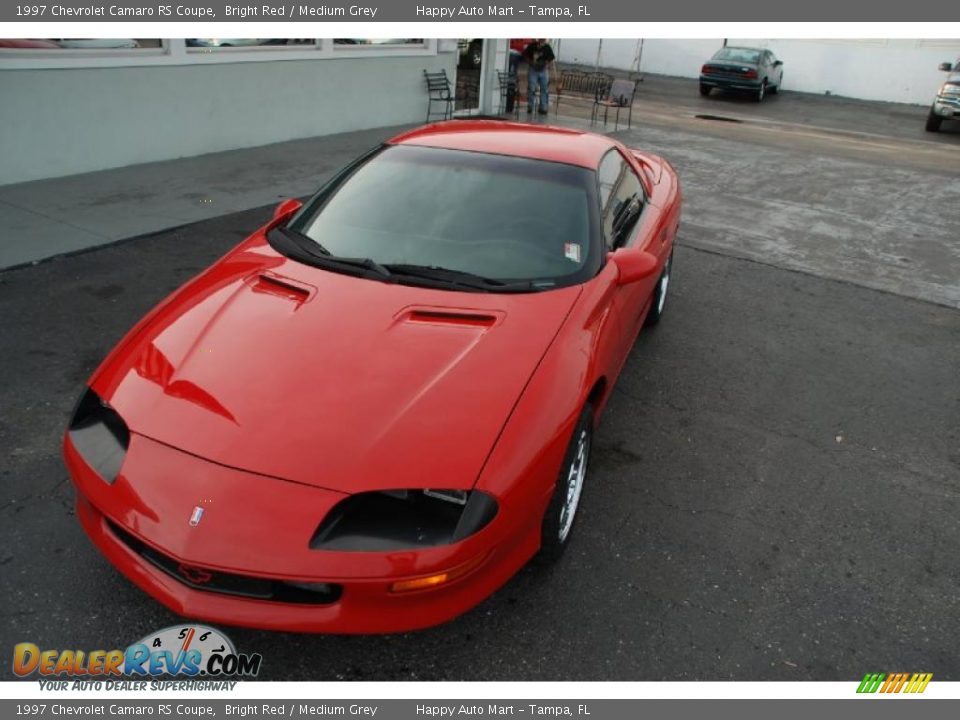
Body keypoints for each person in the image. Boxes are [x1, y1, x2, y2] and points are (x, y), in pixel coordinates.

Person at [522, 39, 556, 115]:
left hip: (543, 70)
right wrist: (530, 62)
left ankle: (543, 107)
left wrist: (546, 64)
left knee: (544, 89)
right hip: (533, 69)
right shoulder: (532, 46)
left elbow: (551, 58)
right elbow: (525, 55)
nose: (542, 40)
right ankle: (530, 106)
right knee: (531, 88)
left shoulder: (547, 47)